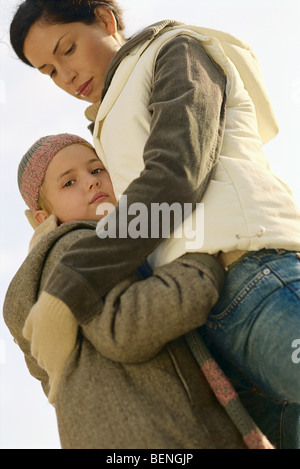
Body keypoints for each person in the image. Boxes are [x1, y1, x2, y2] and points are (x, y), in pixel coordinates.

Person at [9, 0, 300, 448]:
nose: (65, 77)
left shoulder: (174, 50)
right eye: (49, 70)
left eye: (67, 49)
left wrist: (70, 285)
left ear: (105, 19)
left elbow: (176, 174)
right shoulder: (106, 127)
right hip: (215, 326)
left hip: (255, 272)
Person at [3, 133, 272, 449]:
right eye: (68, 183)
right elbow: (124, 327)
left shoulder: (40, 279)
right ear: (43, 219)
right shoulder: (76, 245)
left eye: (96, 169)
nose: (90, 183)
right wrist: (201, 264)